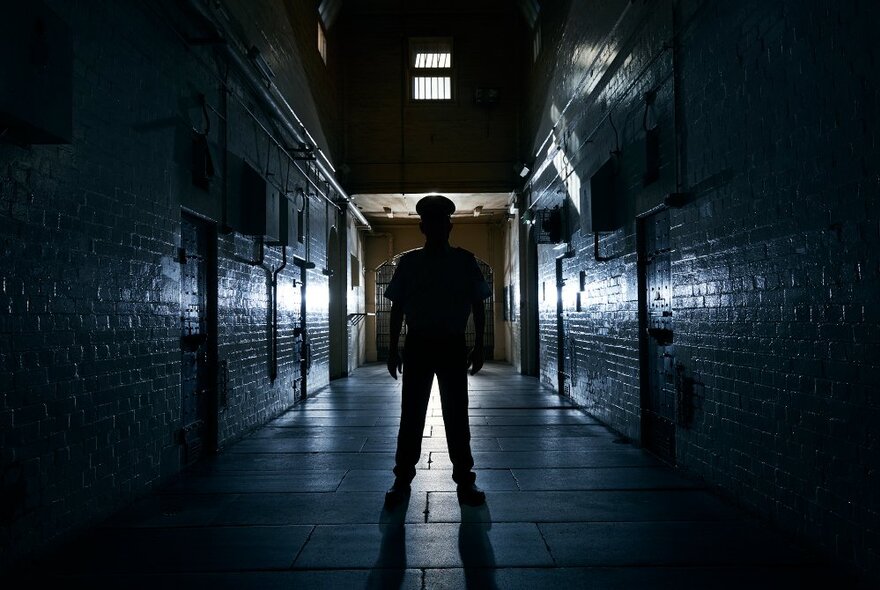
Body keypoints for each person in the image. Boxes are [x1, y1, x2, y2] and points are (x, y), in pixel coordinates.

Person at [382, 194, 492, 507]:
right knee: (412, 415)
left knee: (456, 415)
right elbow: (397, 309)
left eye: (440, 221)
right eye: (431, 221)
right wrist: (392, 349)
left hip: (447, 344)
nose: (436, 227)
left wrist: (479, 346)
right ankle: (403, 479)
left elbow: (478, 305)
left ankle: (461, 480)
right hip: (422, 344)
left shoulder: (462, 261)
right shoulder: (413, 262)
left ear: (449, 225)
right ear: (423, 226)